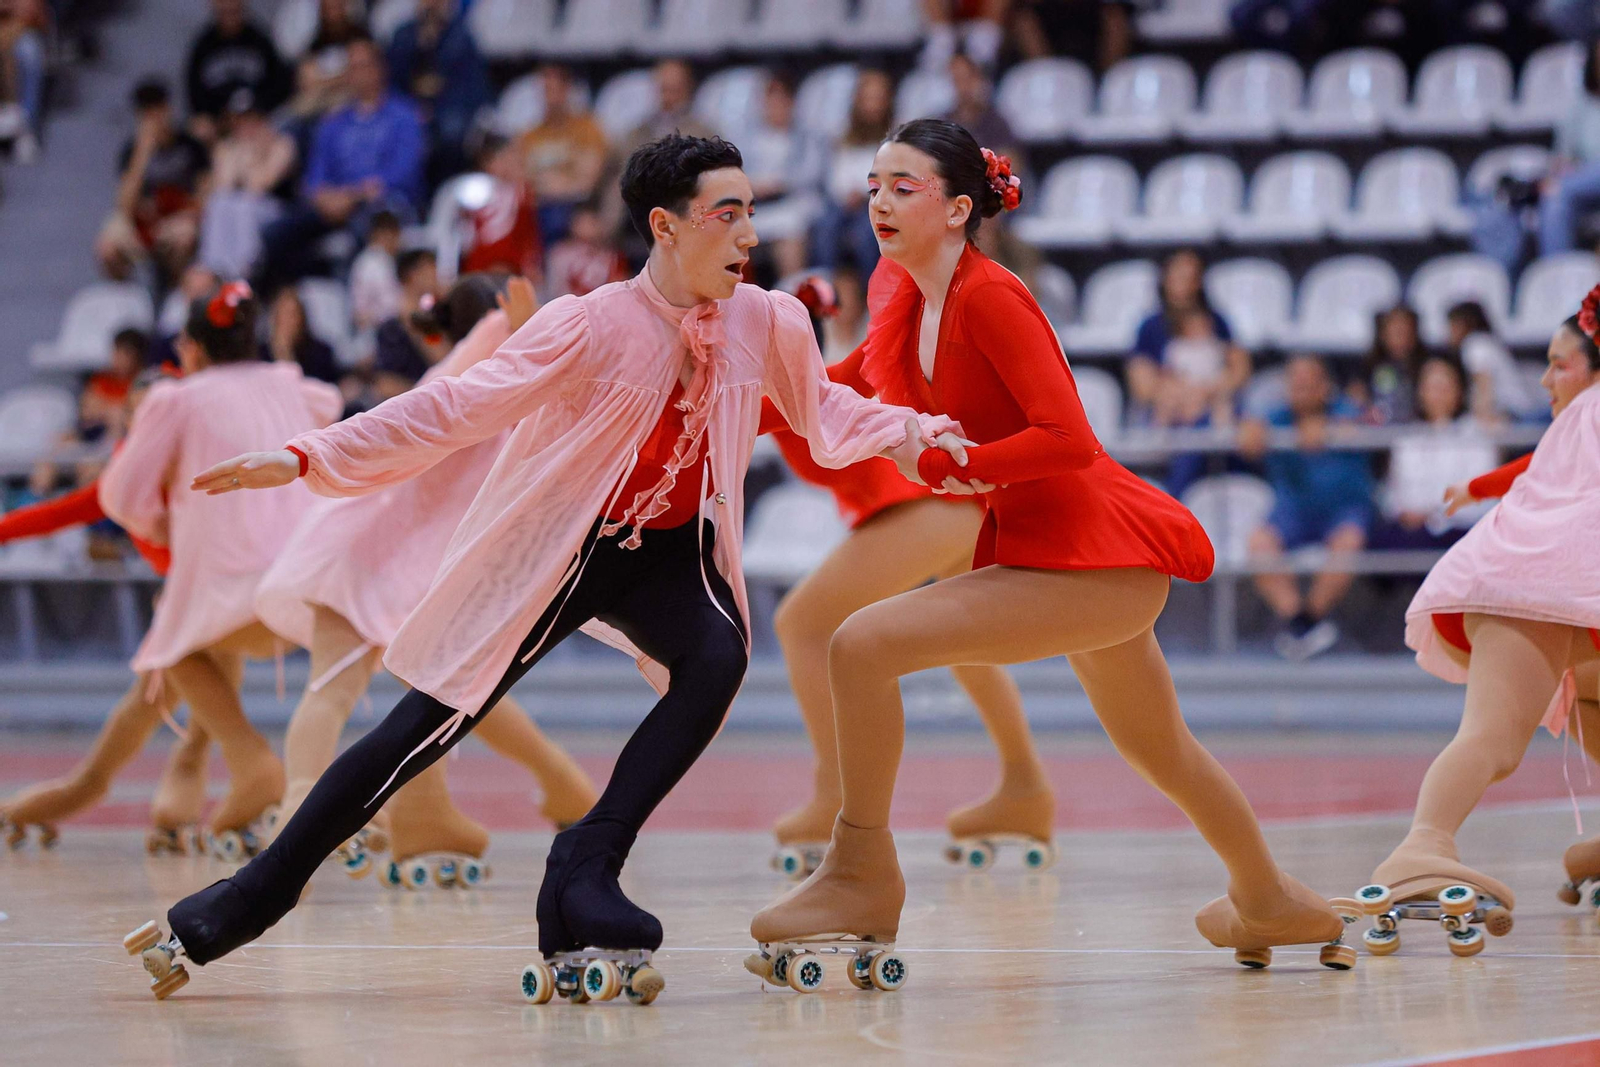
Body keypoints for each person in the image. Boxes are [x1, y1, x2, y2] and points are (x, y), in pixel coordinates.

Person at [126, 134, 966, 1000]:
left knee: (715, 658)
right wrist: (308, 456)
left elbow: (821, 409)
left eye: (752, 211)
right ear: (665, 226)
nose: (750, 233)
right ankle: (246, 899)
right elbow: (454, 405)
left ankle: (585, 865)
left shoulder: (768, 319)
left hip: (672, 552)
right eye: (727, 213)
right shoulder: (589, 323)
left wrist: (912, 433)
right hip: (563, 547)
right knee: (423, 727)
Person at [748, 120, 1352, 980]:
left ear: (959, 209)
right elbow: (836, 395)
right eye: (875, 184)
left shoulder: (991, 295)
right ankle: (1269, 897)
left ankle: (859, 877)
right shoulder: (905, 297)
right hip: (1053, 552)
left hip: (1090, 552)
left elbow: (1069, 436)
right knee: (1160, 745)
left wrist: (965, 466)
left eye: (904, 186)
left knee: (859, 643)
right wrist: (730, 409)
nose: (880, 199)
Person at [255, 275, 597, 884]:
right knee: (447, 690)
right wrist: (518, 322)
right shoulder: (499, 348)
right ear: (495, 311)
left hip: (374, 552)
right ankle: (313, 823)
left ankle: (325, 809)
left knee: (370, 689)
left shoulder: (477, 365)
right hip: (390, 558)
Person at [757, 277, 1052, 879]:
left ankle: (835, 793)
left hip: (928, 508)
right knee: (969, 653)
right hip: (951, 509)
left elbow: (763, 407)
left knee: (803, 625)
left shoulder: (833, 374)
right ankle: (1025, 788)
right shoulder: (818, 377)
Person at [1361, 286, 1600, 949]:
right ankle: (1421, 844)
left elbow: (1532, 471)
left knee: (1572, 699)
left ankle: (1427, 839)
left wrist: (1478, 486)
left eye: (1560, 362)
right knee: (1492, 741)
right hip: (1544, 583)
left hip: (1525, 577)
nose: (1549, 378)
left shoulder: (1579, 422)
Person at [99, 282, 343, 856]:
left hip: (232, 587)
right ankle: (213, 790)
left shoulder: (175, 400)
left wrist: (158, 526)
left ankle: (250, 759)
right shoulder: (287, 383)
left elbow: (120, 495)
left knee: (171, 642)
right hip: (311, 583)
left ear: (190, 349)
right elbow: (328, 403)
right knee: (194, 649)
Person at [0, 369, 212, 854]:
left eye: (154, 411)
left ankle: (175, 814)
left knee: (201, 726)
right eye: (137, 412)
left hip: (210, 606)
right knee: (168, 724)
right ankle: (50, 803)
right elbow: (61, 512)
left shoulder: (200, 463)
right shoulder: (124, 476)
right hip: (184, 613)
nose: (146, 421)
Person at [258, 37, 425, 291]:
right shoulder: (333, 123)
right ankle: (295, 301)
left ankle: (357, 311)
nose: (359, 74)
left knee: (363, 229)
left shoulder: (403, 115)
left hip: (383, 206)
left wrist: (353, 196)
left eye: (365, 65)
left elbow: (405, 172)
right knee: (275, 234)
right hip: (334, 206)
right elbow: (314, 178)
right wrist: (325, 197)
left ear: (380, 68)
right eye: (353, 67)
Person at [1242, 354, 1374, 660]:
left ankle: (1307, 621)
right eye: (1295, 383)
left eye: (1308, 383)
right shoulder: (1276, 416)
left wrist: (1332, 430)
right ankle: (1300, 623)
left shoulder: (1347, 411)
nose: (1300, 389)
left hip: (1344, 509)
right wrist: (1248, 429)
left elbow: (1366, 423)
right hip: (1293, 512)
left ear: (1324, 386)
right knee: (1259, 544)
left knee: (1348, 542)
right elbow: (1248, 434)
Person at [1371, 357, 1498, 550]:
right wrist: (1403, 512)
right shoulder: (1406, 438)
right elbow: (1392, 494)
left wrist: (1433, 514)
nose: (1437, 395)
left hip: (1460, 531)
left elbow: (1481, 498)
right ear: (1420, 392)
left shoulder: (1476, 436)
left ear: (1459, 391)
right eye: (1431, 387)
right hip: (1411, 531)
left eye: (1444, 387)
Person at [96, 77, 212, 283]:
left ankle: (177, 295)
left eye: (158, 108)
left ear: (168, 109)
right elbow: (123, 205)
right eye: (146, 111)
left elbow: (206, 195)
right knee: (107, 247)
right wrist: (142, 154)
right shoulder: (131, 151)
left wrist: (185, 214)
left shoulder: (191, 146)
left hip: (180, 217)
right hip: (142, 218)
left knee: (184, 238)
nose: (153, 117)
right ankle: (126, 299)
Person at [386, 0, 490, 186]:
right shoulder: (404, 35)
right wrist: (420, 44)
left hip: (448, 108)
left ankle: (445, 191)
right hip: (407, 107)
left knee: (452, 131)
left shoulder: (461, 36)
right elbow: (393, 81)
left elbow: (471, 87)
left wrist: (436, 109)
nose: (432, 4)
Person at [197, 89, 298, 279]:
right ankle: (212, 269)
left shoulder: (282, 144)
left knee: (244, 205)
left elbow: (259, 186)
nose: (245, 126)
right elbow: (223, 186)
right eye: (239, 120)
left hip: (277, 210)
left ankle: (244, 272)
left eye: (250, 118)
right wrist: (242, 153)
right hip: (241, 209)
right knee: (219, 202)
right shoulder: (227, 147)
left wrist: (254, 154)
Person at [742, 71, 826, 281]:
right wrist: (753, 185)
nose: (776, 107)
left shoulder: (806, 136)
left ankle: (791, 295)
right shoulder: (748, 138)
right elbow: (735, 172)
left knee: (790, 227)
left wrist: (780, 183)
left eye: (782, 101)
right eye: (771, 101)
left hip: (792, 203)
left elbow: (812, 173)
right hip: (757, 205)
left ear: (791, 103)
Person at [813, 69, 895, 275]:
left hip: (878, 203)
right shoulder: (843, 136)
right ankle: (827, 293)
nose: (872, 105)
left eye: (877, 99)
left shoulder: (896, 137)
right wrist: (845, 194)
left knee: (866, 236)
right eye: (867, 98)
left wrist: (865, 193)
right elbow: (835, 175)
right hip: (843, 202)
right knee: (824, 228)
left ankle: (874, 295)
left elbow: (892, 175)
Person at [515, 63, 607, 245]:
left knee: (556, 219)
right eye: (546, 90)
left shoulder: (587, 129)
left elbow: (588, 181)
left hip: (576, 207)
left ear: (567, 90)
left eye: (556, 89)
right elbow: (520, 178)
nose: (551, 97)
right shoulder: (530, 136)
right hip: (538, 206)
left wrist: (553, 185)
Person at [184, 0, 291, 142]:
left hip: (259, 118)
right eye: (224, 8)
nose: (229, 6)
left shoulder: (260, 39)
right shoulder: (202, 47)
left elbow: (279, 85)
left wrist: (256, 112)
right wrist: (220, 118)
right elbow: (195, 97)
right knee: (199, 128)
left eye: (233, 9)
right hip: (221, 125)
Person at [1541, 38, 1600, 257]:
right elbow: (1563, 157)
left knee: (1560, 187)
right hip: (1585, 186)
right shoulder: (1580, 105)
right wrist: (1563, 168)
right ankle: (1557, 279)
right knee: (1555, 200)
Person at [1446, 300, 1544, 424]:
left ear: (1463, 324)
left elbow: (1484, 387)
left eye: (1452, 326)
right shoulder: (1487, 342)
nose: (1449, 333)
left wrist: (1483, 420)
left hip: (1514, 416)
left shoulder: (1475, 345)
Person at [370, 248, 443, 398]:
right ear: (412, 275)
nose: (436, 275)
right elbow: (384, 383)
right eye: (430, 269)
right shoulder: (390, 328)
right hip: (411, 405)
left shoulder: (435, 318)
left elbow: (442, 357)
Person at [1351, 303, 1428, 426]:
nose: (1401, 338)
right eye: (1396, 332)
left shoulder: (1427, 365)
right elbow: (1356, 399)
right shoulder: (1367, 365)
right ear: (1383, 334)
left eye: (1405, 331)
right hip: (1378, 432)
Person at [265, 287, 340, 384]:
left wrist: (286, 355)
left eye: (292, 315)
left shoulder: (320, 353)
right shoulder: (261, 354)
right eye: (282, 315)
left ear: (302, 318)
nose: (288, 322)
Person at [349, 210, 402, 331]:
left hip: (384, 328)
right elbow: (392, 306)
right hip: (375, 334)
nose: (399, 241)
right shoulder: (373, 263)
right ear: (384, 234)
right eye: (396, 235)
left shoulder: (372, 260)